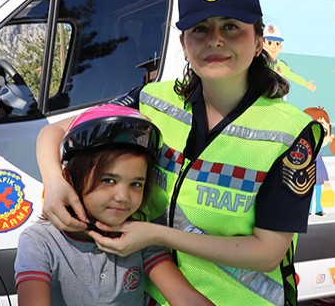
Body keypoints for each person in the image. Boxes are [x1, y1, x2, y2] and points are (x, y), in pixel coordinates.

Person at [36, 0, 324, 306]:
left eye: (231, 26)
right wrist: (54, 181)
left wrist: (155, 236)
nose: (215, 40)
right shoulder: (152, 100)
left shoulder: (290, 132)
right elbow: (55, 131)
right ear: (183, 45)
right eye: (199, 29)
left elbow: (267, 253)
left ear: (259, 41)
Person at [16, 104, 212, 306]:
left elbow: (186, 299)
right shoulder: (40, 242)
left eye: (136, 184)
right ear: (72, 178)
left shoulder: (141, 240)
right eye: (108, 180)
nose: (122, 196)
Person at [263, 23, 316, 92]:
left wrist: (305, 83)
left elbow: (292, 75)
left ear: (281, 47)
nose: (274, 47)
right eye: (269, 43)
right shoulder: (259, 63)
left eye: (277, 43)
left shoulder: (281, 65)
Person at [303, 107, 333, 216]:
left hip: (318, 175)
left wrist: (326, 178)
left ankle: (318, 209)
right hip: (309, 176)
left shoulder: (318, 151)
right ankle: (309, 210)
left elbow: (321, 165)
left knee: (318, 192)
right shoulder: (307, 150)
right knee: (309, 193)